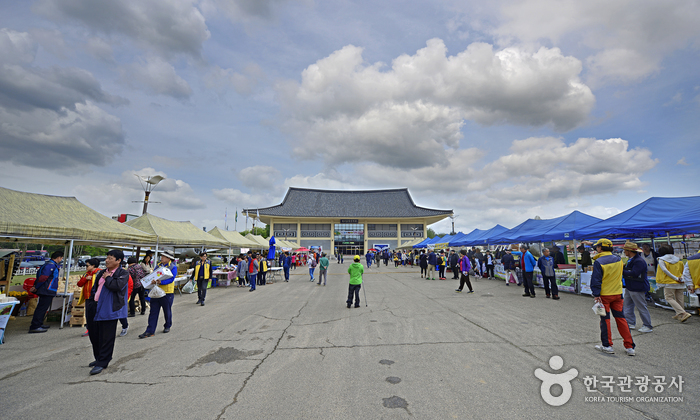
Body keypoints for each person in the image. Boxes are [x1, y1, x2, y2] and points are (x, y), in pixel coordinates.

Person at [86, 249, 129, 375]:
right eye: (107, 258)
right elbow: (96, 287)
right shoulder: (102, 272)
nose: (107, 260)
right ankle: (98, 357)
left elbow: (116, 286)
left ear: (118, 260)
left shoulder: (123, 273)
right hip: (95, 305)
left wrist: (109, 278)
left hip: (109, 307)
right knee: (94, 333)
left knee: (106, 336)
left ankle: (103, 362)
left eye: (110, 258)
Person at [590, 238, 635, 355]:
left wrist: (596, 294)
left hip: (605, 295)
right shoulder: (619, 259)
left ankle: (607, 345)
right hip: (618, 294)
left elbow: (596, 280)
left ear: (600, 248)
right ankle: (630, 346)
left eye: (597, 247)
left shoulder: (599, 262)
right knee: (621, 319)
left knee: (605, 320)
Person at [139, 250, 177, 338]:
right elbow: (154, 275)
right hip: (156, 292)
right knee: (153, 311)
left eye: (163, 256)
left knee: (167, 311)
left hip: (166, 293)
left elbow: (171, 279)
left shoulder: (172, 267)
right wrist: (152, 281)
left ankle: (167, 325)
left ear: (168, 258)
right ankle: (150, 331)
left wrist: (161, 282)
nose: (161, 258)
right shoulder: (158, 265)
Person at [28, 251, 64, 333]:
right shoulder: (50, 265)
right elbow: (43, 277)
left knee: (43, 308)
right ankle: (35, 326)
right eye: (61, 258)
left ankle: (39, 323)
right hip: (46, 289)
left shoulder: (50, 265)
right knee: (41, 308)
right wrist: (36, 287)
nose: (61, 259)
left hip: (48, 289)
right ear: (58, 257)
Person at [621, 242, 653, 333]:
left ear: (629, 251)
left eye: (625, 250)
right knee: (627, 305)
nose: (624, 252)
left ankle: (647, 325)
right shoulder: (632, 259)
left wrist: (621, 270)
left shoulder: (638, 261)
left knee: (641, 306)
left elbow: (634, 273)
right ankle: (630, 322)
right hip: (630, 286)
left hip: (637, 287)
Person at [655, 244, 691, 322]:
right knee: (680, 299)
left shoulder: (661, 259)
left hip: (669, 282)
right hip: (680, 282)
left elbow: (664, 270)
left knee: (668, 298)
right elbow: (683, 270)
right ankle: (680, 315)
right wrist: (680, 278)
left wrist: (675, 278)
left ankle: (683, 313)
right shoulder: (679, 260)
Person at [76, 258, 101, 337]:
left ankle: (97, 329)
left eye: (87, 265)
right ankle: (89, 329)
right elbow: (79, 284)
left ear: (93, 265)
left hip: (97, 298)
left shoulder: (99, 273)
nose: (86, 267)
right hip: (88, 297)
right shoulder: (86, 274)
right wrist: (85, 279)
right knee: (89, 315)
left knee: (96, 314)